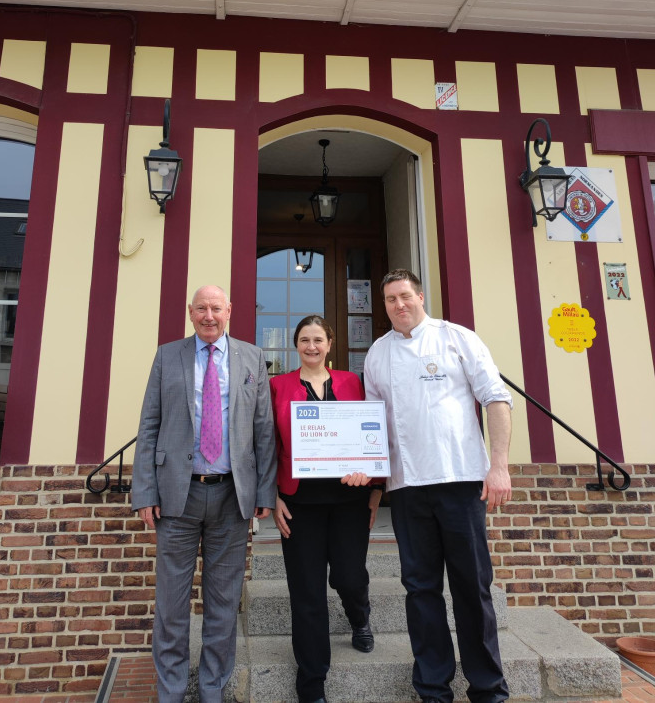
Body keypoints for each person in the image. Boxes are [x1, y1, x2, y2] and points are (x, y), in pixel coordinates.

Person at [363, 269, 512, 703]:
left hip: (462, 482)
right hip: (407, 488)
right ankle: (433, 687)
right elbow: (375, 427)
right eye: (390, 299)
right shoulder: (377, 354)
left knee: (472, 587)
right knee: (421, 590)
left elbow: (497, 399)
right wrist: (375, 489)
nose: (398, 305)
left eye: (404, 296)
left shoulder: (457, 338)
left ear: (420, 295)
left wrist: (498, 466)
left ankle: (487, 688)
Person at [131, 284, 277, 703]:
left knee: (223, 601)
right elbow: (149, 425)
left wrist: (264, 490)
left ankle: (213, 688)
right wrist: (144, 492)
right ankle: (172, 691)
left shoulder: (251, 358)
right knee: (172, 607)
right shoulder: (167, 355)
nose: (209, 316)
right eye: (201, 309)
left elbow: (263, 431)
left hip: (232, 496)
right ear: (190, 312)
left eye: (216, 308)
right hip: (177, 496)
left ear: (229, 310)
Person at [270, 315, 383, 703]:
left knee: (350, 576)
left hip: (350, 501)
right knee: (306, 593)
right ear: (295, 344)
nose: (312, 346)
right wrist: (273, 496)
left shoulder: (354, 383)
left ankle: (359, 616)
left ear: (330, 343)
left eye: (318, 339)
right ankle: (312, 682)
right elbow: (267, 444)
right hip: (300, 504)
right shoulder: (278, 386)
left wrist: (374, 488)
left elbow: (374, 434)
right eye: (304, 340)